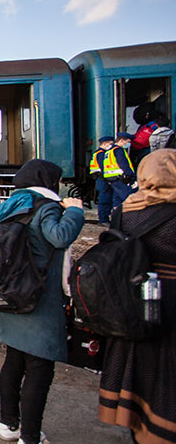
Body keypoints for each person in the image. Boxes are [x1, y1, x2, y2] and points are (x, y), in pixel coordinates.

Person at [0, 160, 84, 444]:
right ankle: (29, 436)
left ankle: (8, 424)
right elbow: (60, 236)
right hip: (39, 299)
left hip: (11, 293)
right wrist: (75, 210)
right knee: (39, 368)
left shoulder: (10, 207)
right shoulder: (46, 206)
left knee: (13, 361)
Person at [97, 149, 176, 444]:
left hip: (134, 304)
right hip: (170, 303)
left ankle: (139, 430)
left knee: (138, 373)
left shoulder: (125, 211)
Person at [106, 132, 137, 211]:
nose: (129, 144)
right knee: (129, 198)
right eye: (128, 142)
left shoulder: (109, 151)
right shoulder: (119, 151)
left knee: (117, 199)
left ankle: (116, 217)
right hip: (120, 178)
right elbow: (123, 164)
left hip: (112, 178)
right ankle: (130, 218)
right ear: (122, 140)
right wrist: (132, 176)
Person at [90, 136, 115, 226]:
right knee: (105, 199)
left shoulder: (98, 153)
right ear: (104, 144)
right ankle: (103, 219)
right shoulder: (101, 154)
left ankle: (104, 219)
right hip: (103, 180)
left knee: (105, 198)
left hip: (101, 179)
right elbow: (103, 167)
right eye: (110, 144)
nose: (112, 146)